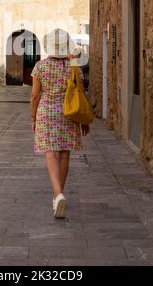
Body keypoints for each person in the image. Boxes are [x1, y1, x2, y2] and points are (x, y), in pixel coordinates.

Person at [30, 29, 90, 219]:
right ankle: (58, 195)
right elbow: (81, 92)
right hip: (69, 113)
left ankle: (58, 194)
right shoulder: (73, 67)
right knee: (65, 153)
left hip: (47, 112)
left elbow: (34, 95)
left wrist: (33, 118)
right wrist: (84, 120)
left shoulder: (40, 66)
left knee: (51, 152)